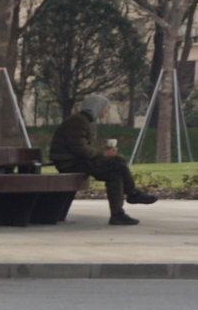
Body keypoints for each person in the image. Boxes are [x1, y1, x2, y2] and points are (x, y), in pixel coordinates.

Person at [50, 95, 158, 225]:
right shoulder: (78, 122)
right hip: (70, 164)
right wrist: (103, 154)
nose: (106, 113)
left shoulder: (83, 121)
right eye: (105, 109)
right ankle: (132, 193)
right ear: (97, 108)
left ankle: (118, 214)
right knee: (118, 160)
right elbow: (79, 149)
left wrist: (102, 154)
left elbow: (81, 149)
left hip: (76, 161)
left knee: (114, 173)